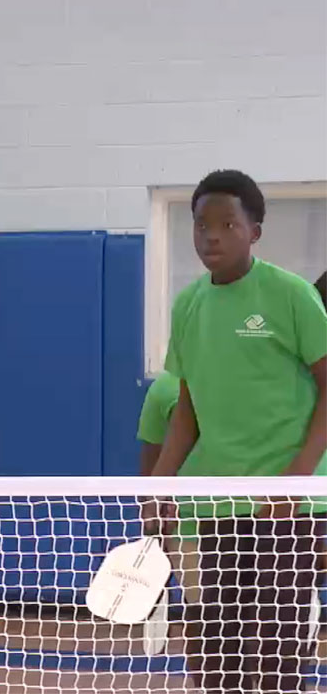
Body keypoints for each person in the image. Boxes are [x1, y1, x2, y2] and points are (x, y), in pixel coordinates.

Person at [143, 170, 327, 694]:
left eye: (227, 224)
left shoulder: (290, 296)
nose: (211, 236)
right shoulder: (188, 306)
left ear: (255, 231)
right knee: (219, 646)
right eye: (201, 225)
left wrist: (292, 482)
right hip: (217, 505)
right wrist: (160, 484)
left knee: (277, 650)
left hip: (285, 508)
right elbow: (188, 407)